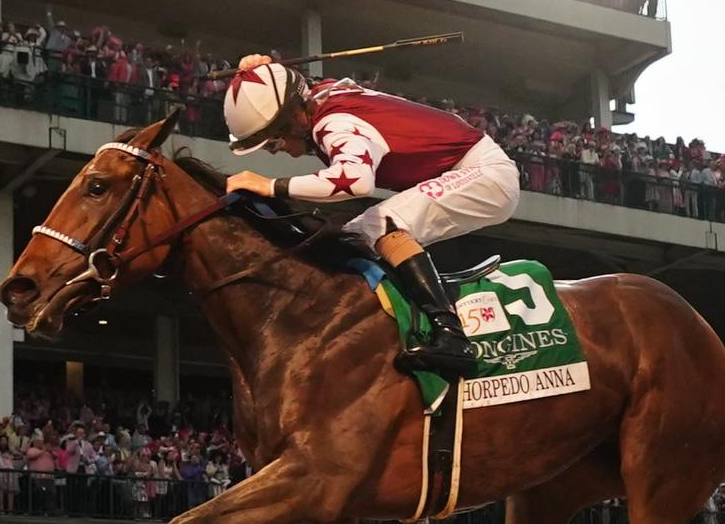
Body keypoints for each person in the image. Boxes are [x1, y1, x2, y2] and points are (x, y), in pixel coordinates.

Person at [220, 54, 522, 376]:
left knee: (383, 224)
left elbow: (356, 181)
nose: (275, 149)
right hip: (468, 167)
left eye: (273, 140)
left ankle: (452, 336)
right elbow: (292, 87)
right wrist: (263, 73)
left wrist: (270, 186)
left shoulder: (332, 123)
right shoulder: (321, 97)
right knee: (354, 235)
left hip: (484, 173)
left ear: (295, 117)